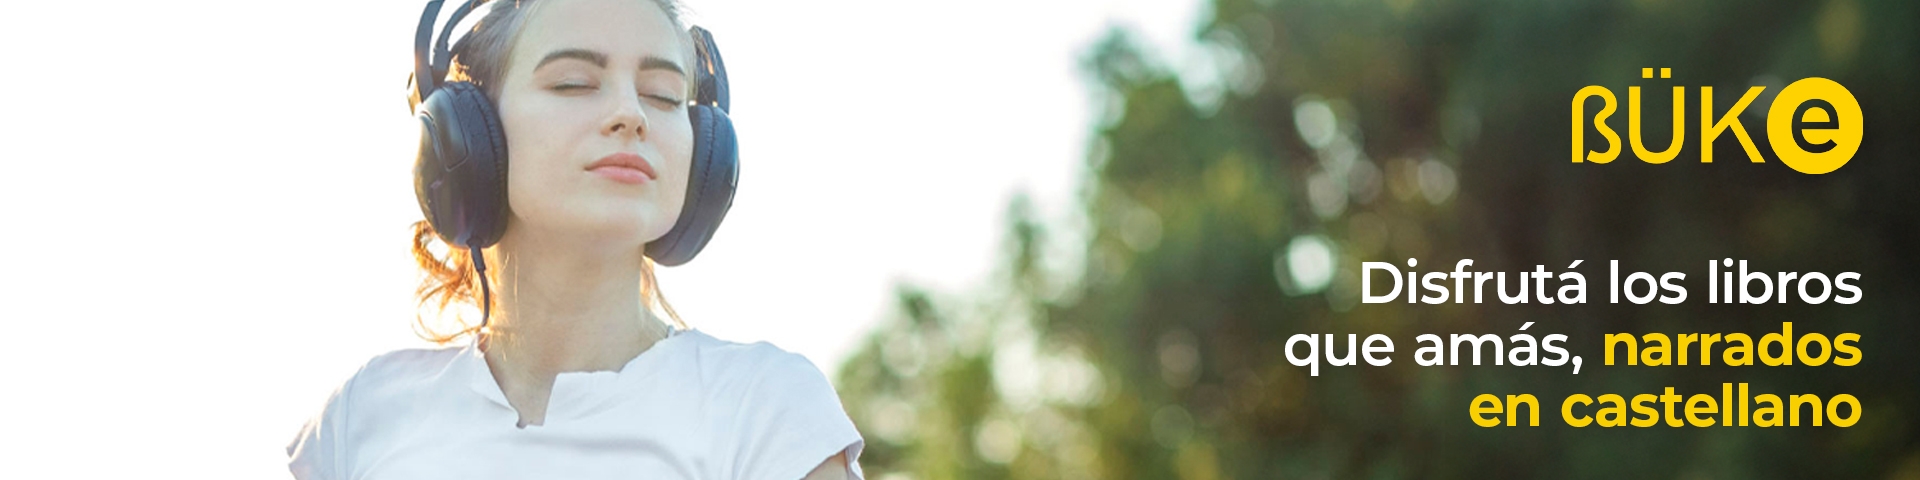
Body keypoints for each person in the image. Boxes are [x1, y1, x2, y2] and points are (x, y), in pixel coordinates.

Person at [286, 0, 863, 478]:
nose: (630, 114)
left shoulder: (768, 407)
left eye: (663, 95)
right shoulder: (361, 415)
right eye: (573, 83)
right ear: (468, 135)